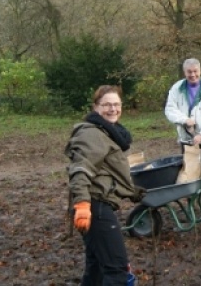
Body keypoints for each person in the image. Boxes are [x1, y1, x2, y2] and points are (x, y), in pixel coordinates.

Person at [65, 85, 142, 286]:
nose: (113, 109)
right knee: (116, 269)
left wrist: (137, 194)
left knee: (96, 268)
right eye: (106, 104)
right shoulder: (91, 133)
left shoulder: (107, 132)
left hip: (98, 205)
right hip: (95, 208)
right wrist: (82, 205)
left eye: (116, 104)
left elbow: (110, 173)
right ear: (96, 107)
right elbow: (80, 169)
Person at [164, 58, 201, 222]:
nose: (193, 75)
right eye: (189, 72)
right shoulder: (177, 88)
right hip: (187, 140)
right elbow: (170, 109)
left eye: (195, 71)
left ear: (200, 71)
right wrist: (184, 120)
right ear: (185, 72)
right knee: (191, 172)